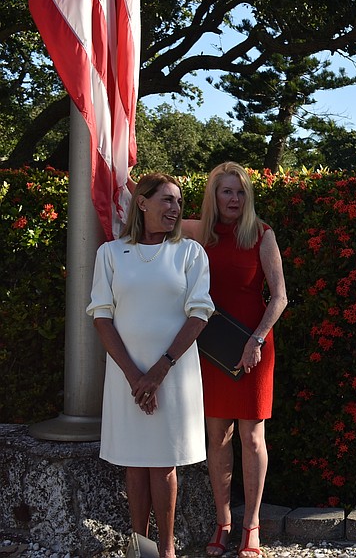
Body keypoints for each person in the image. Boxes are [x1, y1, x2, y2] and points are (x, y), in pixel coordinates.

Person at [87, 173, 214, 558]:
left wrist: (158, 371)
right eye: (168, 200)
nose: (175, 208)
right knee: (133, 461)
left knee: (163, 462)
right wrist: (134, 376)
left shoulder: (191, 253)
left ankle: (166, 551)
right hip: (126, 375)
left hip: (174, 375)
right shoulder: (110, 253)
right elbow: (101, 315)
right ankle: (138, 548)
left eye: (178, 201)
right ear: (142, 203)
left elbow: (200, 312)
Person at [182, 162, 287, 558]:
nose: (234, 199)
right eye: (226, 191)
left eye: (240, 192)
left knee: (252, 436)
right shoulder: (198, 232)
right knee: (218, 438)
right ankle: (222, 522)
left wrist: (256, 339)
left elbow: (279, 296)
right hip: (212, 349)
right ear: (214, 195)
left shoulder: (261, 234)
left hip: (254, 347)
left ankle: (251, 525)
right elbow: (150, 210)